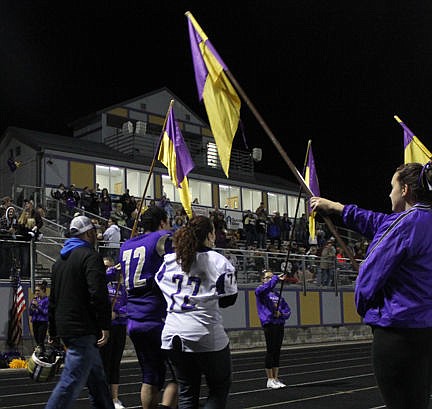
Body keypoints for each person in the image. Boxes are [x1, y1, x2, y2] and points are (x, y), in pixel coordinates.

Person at [310, 162, 432, 409]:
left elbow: (368, 278)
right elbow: (378, 222)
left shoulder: (405, 223)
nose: (389, 193)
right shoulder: (418, 221)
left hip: (397, 333)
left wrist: (368, 309)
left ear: (405, 189)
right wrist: (335, 207)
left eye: (392, 187)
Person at [156, 215, 238, 409]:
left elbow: (158, 289)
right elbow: (228, 300)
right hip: (204, 332)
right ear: (210, 235)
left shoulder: (169, 260)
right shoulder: (218, 261)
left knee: (187, 391)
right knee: (219, 388)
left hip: (172, 333)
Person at [46, 215, 114, 409]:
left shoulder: (59, 261)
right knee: (70, 382)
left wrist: (53, 331)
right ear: (89, 233)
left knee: (98, 383)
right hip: (82, 328)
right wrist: (104, 325)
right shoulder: (90, 256)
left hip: (66, 327)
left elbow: (54, 299)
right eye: (94, 232)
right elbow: (98, 293)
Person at [119, 207, 177, 409]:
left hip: (134, 318)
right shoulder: (163, 237)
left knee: (150, 376)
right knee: (181, 374)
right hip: (158, 316)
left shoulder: (126, 245)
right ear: (162, 222)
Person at [255, 269, 291, 389]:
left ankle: (276, 378)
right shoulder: (260, 291)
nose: (270, 279)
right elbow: (266, 288)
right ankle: (269, 379)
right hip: (269, 324)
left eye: (271, 277)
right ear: (262, 280)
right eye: (268, 277)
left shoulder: (277, 295)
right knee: (270, 350)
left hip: (279, 324)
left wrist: (281, 314)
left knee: (277, 351)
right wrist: (276, 278)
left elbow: (287, 310)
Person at [100, 257, 128, 409]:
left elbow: (128, 307)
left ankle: (115, 398)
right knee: (105, 362)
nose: (108, 269)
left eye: (109, 267)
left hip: (119, 327)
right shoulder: (100, 284)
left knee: (115, 362)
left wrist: (117, 313)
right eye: (104, 267)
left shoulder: (122, 288)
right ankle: (103, 397)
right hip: (105, 328)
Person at [29, 280, 49, 353]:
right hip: (35, 321)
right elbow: (30, 313)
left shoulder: (47, 300)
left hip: (42, 322)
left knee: (41, 341)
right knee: (37, 340)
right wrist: (32, 308)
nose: (36, 292)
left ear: (43, 291)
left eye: (38, 290)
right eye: (35, 290)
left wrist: (38, 306)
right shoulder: (35, 300)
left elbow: (46, 312)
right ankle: (39, 354)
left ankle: (42, 355)